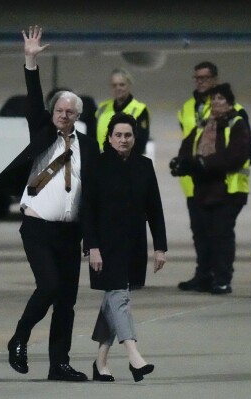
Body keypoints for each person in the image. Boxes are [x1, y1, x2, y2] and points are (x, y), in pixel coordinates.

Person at [0, 25, 99, 382]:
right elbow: (34, 98)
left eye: (70, 112)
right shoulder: (42, 130)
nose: (63, 115)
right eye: (60, 110)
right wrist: (30, 60)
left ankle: (59, 364)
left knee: (66, 301)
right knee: (49, 286)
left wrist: (91, 238)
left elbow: (92, 196)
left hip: (70, 232)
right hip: (37, 227)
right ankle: (19, 337)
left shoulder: (88, 146)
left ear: (78, 116)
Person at [82, 112, 167, 383]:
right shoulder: (97, 165)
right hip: (105, 245)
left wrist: (160, 247)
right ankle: (134, 355)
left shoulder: (144, 165)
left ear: (134, 138)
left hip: (134, 244)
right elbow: (88, 210)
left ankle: (100, 362)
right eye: (118, 135)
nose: (123, 139)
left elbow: (155, 209)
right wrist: (92, 247)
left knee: (112, 299)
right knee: (119, 296)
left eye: (128, 135)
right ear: (109, 138)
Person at [176, 62, 251, 292]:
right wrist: (184, 163)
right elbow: (189, 141)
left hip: (226, 187)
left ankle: (221, 277)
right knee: (201, 234)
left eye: (205, 77)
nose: (201, 82)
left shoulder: (236, 116)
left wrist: (206, 164)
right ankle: (205, 274)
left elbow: (243, 152)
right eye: (197, 77)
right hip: (199, 186)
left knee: (221, 234)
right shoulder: (192, 110)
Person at [95, 67, 149, 155]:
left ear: (129, 85)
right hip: (103, 163)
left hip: (128, 163)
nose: (118, 88)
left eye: (122, 85)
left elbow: (141, 142)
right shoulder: (102, 108)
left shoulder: (139, 109)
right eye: (114, 85)